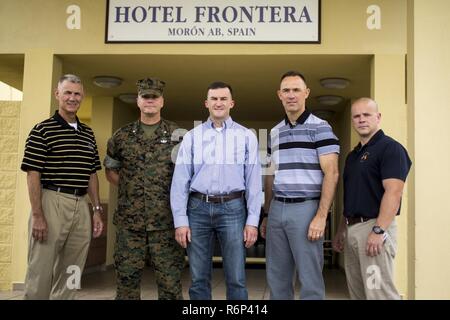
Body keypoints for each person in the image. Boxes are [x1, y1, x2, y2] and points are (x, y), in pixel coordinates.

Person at [170, 81, 261, 300]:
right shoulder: (192, 137)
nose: (218, 103)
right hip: (197, 209)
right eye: (214, 99)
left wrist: (252, 221)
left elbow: (254, 181)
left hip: (233, 208)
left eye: (223, 99)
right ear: (206, 103)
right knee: (198, 278)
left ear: (232, 103)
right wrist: (180, 220)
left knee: (236, 277)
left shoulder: (246, 136)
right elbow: (180, 180)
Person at [20, 74, 103, 299]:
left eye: (77, 94)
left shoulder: (87, 133)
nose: (72, 98)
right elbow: (32, 174)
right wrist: (37, 214)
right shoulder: (42, 130)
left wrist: (96, 210)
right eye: (67, 92)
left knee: (72, 271)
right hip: (51, 202)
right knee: (41, 269)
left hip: (81, 205)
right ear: (57, 94)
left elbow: (92, 173)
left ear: (82, 97)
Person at [260, 71, 339, 300]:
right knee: (277, 278)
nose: (291, 95)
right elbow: (270, 175)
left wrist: (321, 216)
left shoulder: (320, 127)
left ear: (307, 93)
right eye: (286, 90)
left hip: (306, 209)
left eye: (296, 90)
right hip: (277, 209)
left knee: (310, 279)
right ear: (279, 95)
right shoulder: (274, 132)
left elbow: (332, 173)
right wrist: (267, 213)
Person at [104, 77, 185, 300]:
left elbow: (187, 175)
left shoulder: (179, 135)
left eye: (154, 97)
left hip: (166, 223)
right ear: (138, 101)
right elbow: (111, 169)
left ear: (162, 101)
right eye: (145, 97)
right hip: (130, 225)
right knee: (126, 285)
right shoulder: (121, 136)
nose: (150, 101)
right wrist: (132, 186)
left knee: (170, 285)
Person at [332, 97, 411, 300]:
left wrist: (379, 230)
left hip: (374, 228)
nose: (361, 119)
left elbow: (393, 192)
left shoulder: (391, 149)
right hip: (352, 230)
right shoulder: (353, 156)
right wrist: (342, 229)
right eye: (356, 116)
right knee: (358, 293)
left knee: (379, 294)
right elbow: (352, 195)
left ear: (378, 117)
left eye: (366, 115)